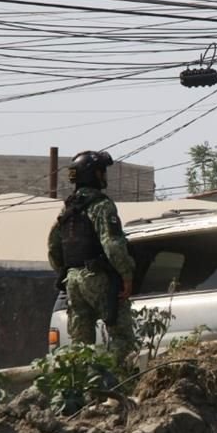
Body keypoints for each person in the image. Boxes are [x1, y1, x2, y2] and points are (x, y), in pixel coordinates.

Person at [47, 150, 136, 363]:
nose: (104, 176)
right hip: (97, 278)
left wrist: (66, 272)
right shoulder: (101, 206)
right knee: (122, 338)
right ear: (93, 175)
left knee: (80, 346)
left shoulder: (67, 210)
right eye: (102, 171)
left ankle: (83, 388)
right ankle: (111, 382)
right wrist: (126, 275)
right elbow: (112, 245)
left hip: (73, 282)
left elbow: (53, 248)